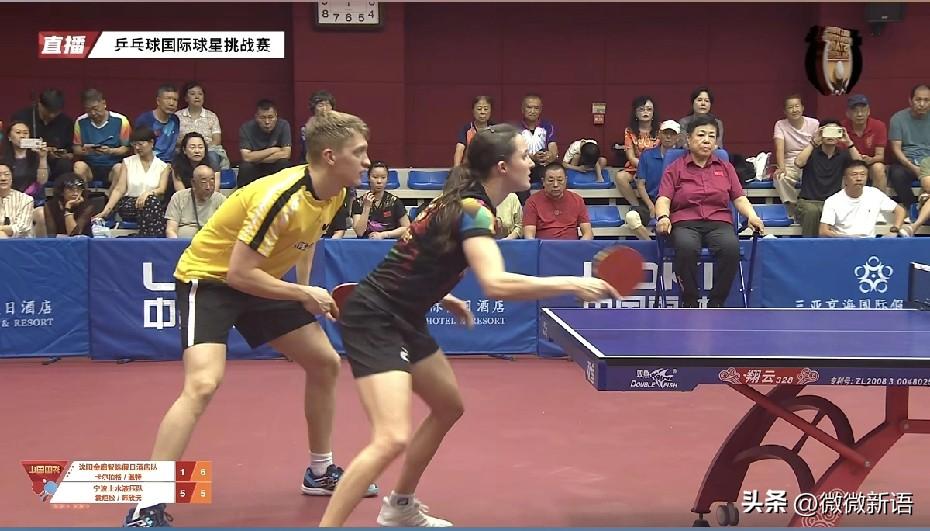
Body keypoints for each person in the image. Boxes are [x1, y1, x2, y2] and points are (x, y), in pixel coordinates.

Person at [318, 124, 618, 527]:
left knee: (447, 406)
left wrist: (440, 294)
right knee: (391, 437)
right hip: (376, 317)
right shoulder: (474, 210)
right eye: (523, 156)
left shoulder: (462, 202)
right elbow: (495, 284)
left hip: (404, 313)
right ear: (501, 166)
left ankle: (400, 505)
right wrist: (572, 283)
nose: (531, 163)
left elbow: (419, 251)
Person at [123, 111, 379, 528]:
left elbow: (306, 243)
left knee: (325, 362)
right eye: (360, 152)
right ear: (330, 156)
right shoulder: (279, 198)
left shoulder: (336, 192)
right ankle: (145, 503)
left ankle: (320, 471)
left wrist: (305, 291)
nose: (367, 161)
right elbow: (238, 275)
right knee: (203, 383)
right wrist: (303, 294)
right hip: (210, 279)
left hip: (262, 278)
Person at [655, 115, 765, 308]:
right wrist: (663, 217)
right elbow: (664, 198)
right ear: (689, 139)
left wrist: (752, 216)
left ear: (715, 142)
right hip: (685, 223)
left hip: (719, 223)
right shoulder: (675, 168)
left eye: (711, 136)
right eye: (701, 135)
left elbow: (739, 198)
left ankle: (716, 303)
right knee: (686, 248)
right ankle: (690, 301)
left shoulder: (726, 167)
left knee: (730, 249)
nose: (706, 140)